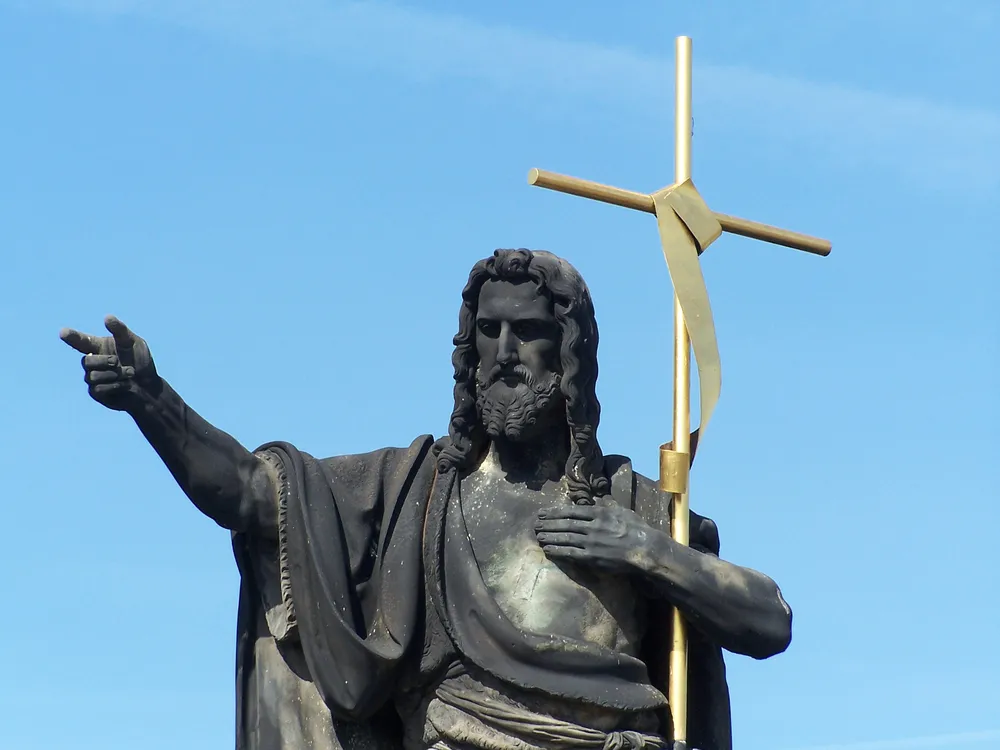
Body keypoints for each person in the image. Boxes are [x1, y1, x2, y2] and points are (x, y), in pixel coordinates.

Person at [61, 249, 792, 750]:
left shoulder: (635, 504)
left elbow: (768, 621)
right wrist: (152, 402)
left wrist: (644, 549)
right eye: (488, 333)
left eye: (528, 334)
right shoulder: (413, 492)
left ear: (569, 356)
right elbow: (255, 496)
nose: (503, 353)